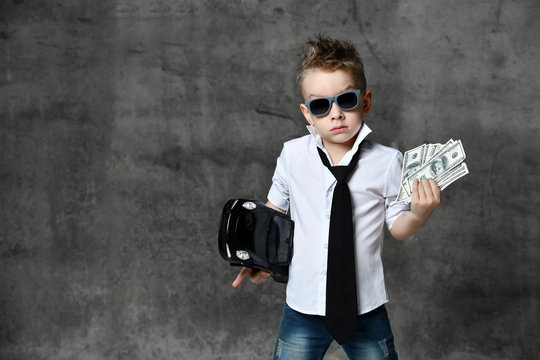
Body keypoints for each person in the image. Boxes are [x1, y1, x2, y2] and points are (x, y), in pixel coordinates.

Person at [232, 35, 441, 360]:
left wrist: (419, 214)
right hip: (303, 305)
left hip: (365, 308)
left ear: (366, 101)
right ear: (307, 113)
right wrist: (259, 259)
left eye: (346, 100)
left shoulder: (387, 162)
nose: (336, 114)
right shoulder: (292, 155)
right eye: (321, 105)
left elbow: (397, 226)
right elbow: (273, 212)